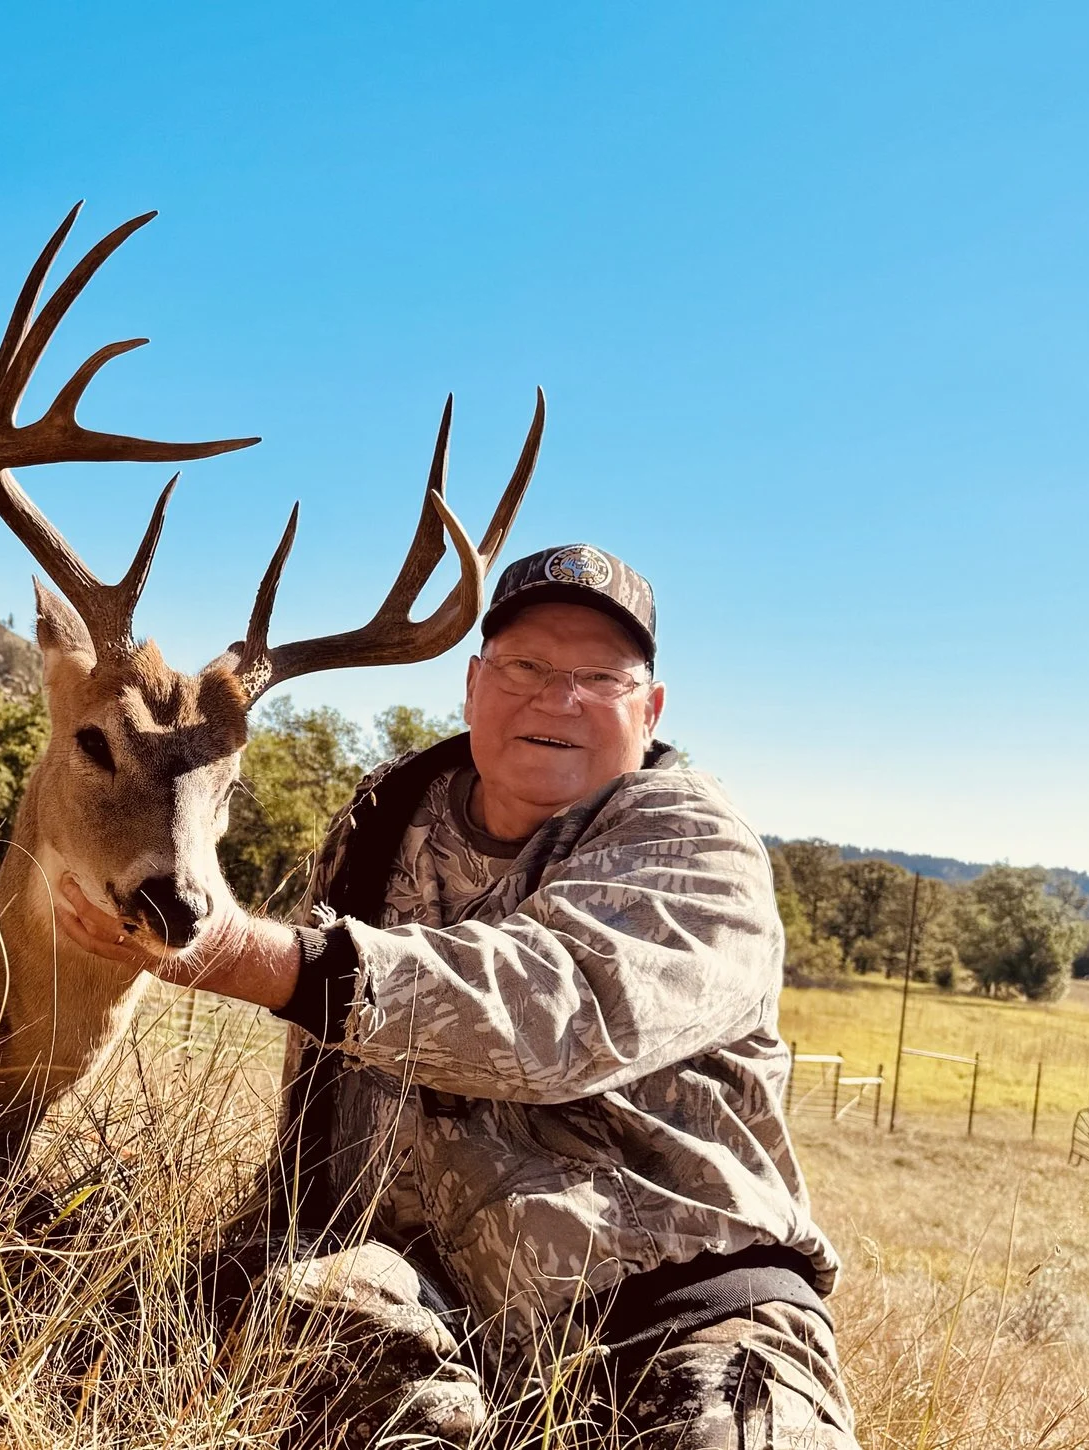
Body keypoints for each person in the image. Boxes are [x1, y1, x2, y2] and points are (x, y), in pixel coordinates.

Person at [53, 544, 856, 1448]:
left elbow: (555, 1012)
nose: (560, 698)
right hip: (420, 1310)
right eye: (526, 667)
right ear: (473, 686)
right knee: (120, 1370)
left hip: (676, 1319)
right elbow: (322, 1102)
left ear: (651, 708)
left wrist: (244, 954)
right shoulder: (385, 824)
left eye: (601, 676)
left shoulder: (692, 840)